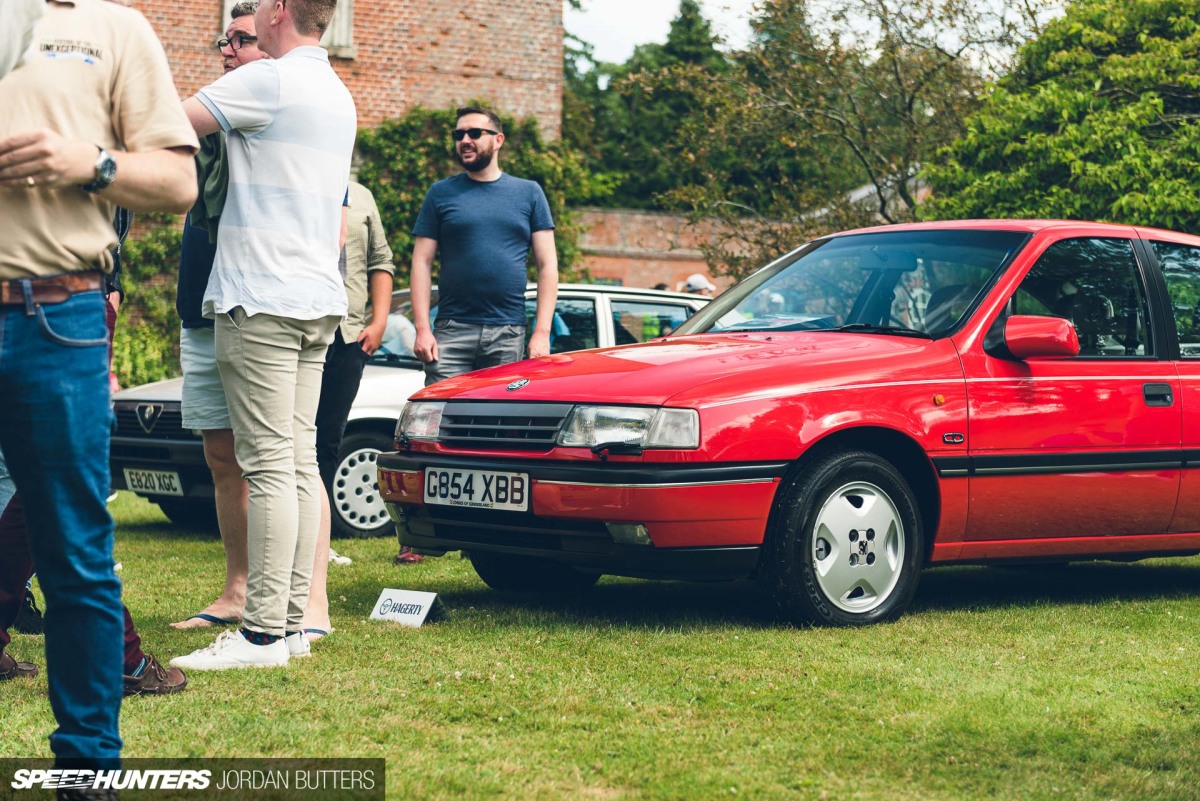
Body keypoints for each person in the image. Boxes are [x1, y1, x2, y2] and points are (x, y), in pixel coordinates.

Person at [0, 0, 198, 771]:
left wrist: (87, 163)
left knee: (75, 550)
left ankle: (87, 769)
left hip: (59, 314)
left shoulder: (114, 27)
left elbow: (179, 178)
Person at [171, 0, 357, 671]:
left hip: (262, 300)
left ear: (279, 11)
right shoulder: (338, 92)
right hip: (314, 301)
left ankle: (261, 636)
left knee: (270, 465)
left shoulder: (271, 80)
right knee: (300, 462)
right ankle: (293, 625)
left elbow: (165, 123)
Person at [406, 105, 559, 562]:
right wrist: (421, 326)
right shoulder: (441, 194)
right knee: (428, 432)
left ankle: (496, 533)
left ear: (498, 139)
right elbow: (421, 262)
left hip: (508, 333)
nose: (465, 140)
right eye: (458, 134)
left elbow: (548, 265)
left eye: (475, 132)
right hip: (449, 332)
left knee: (501, 435)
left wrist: (542, 332)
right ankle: (419, 536)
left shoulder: (528, 193)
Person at [169, 0, 267, 631]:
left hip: (252, 306)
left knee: (269, 456)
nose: (227, 50)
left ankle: (279, 594)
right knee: (220, 456)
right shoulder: (208, 123)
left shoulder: (275, 123)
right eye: (225, 40)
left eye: (241, 39)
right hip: (199, 303)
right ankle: (235, 588)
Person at [302, 180, 394, 632]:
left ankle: (319, 543)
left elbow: (381, 261)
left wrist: (378, 322)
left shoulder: (361, 195)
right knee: (293, 441)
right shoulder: (298, 182)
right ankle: (293, 540)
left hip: (348, 334)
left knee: (327, 441)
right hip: (301, 329)